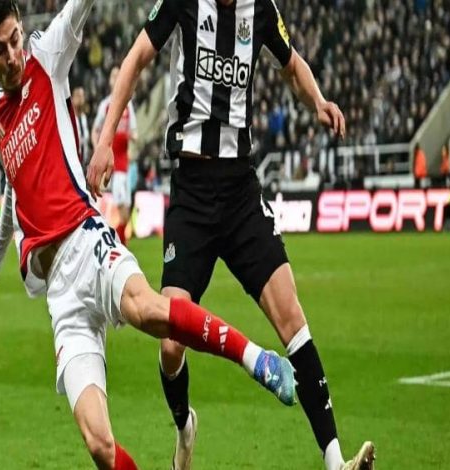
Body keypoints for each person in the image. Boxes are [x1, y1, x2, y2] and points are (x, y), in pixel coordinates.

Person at [0, 1, 297, 468]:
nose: (13, 54)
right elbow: (13, 191)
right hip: (60, 294)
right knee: (99, 444)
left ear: (23, 32)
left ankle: (256, 359)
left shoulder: (47, 56)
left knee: (147, 310)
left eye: (16, 39)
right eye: (2, 48)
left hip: (86, 239)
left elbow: (78, 8)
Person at [86, 1, 375, 469]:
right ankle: (184, 424)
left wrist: (318, 101)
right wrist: (104, 142)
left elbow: (292, 64)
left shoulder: (260, 8)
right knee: (170, 345)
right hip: (192, 195)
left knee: (293, 319)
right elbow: (136, 58)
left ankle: (335, 460)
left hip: (241, 192)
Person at [91, 66, 137, 246]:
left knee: (125, 203)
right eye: (113, 76)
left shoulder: (128, 105)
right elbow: (95, 130)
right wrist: (98, 149)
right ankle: (116, 239)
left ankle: (119, 239)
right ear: (110, 81)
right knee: (117, 202)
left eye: (119, 75)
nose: (116, 78)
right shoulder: (105, 105)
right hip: (111, 162)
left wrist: (132, 141)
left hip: (124, 162)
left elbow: (134, 131)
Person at [71, 86, 92, 171]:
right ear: (72, 98)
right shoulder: (69, 119)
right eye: (78, 96)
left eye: (82, 96)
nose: (80, 99)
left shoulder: (84, 118)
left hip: (84, 162)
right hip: (73, 162)